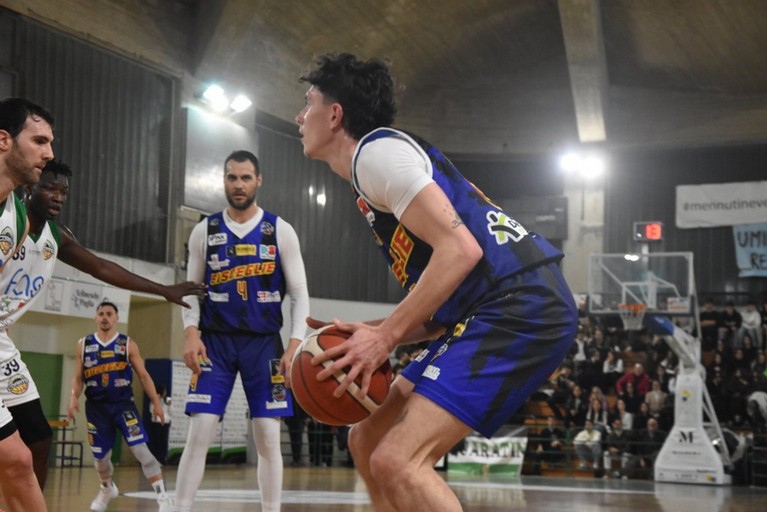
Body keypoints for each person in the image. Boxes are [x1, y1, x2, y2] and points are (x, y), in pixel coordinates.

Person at [296, 53, 578, 512]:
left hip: (521, 304)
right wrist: (367, 331)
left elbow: (461, 251)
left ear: (334, 114)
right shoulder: (373, 173)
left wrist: (385, 337)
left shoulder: (377, 155)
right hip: (496, 304)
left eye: (307, 103)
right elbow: (441, 310)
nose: (299, 115)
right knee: (368, 441)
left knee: (398, 459)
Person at [0, 159, 206, 493]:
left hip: (3, 343)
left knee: (38, 437)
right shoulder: (9, 218)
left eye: (63, 192)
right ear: (28, 187)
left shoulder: (57, 237)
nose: (57, 197)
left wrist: (163, 289)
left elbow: (102, 267)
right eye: (49, 188)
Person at [174, 150, 310, 512]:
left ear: (258, 180)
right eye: (232, 177)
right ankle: (180, 507)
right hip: (214, 343)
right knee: (199, 430)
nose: (238, 184)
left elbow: (299, 294)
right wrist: (190, 333)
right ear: (224, 181)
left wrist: (295, 343)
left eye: (245, 177)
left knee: (267, 436)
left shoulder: (280, 230)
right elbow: (192, 290)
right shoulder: (205, 230)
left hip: (265, 344)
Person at [0, 97, 54, 512]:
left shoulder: (17, 216)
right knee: (16, 459)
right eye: (38, 140)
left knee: (21, 458)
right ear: (4, 140)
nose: (49, 153)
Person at [67, 301, 172, 512]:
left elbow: (143, 375)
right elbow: (78, 378)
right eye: (101, 314)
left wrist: (156, 402)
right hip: (97, 409)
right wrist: (73, 398)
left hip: (123, 406)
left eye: (109, 314)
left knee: (141, 450)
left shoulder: (126, 344)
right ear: (96, 317)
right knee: (100, 460)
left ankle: (163, 497)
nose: (104, 317)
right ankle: (107, 488)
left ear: (116, 318)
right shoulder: (84, 344)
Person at [148, 385, 172, 465]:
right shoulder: (154, 399)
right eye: (164, 391)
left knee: (163, 441)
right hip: (156, 423)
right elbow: (152, 411)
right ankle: (156, 459)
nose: (165, 393)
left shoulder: (167, 400)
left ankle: (162, 459)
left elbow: (171, 412)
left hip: (166, 422)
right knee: (156, 441)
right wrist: (156, 400)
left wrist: (170, 405)